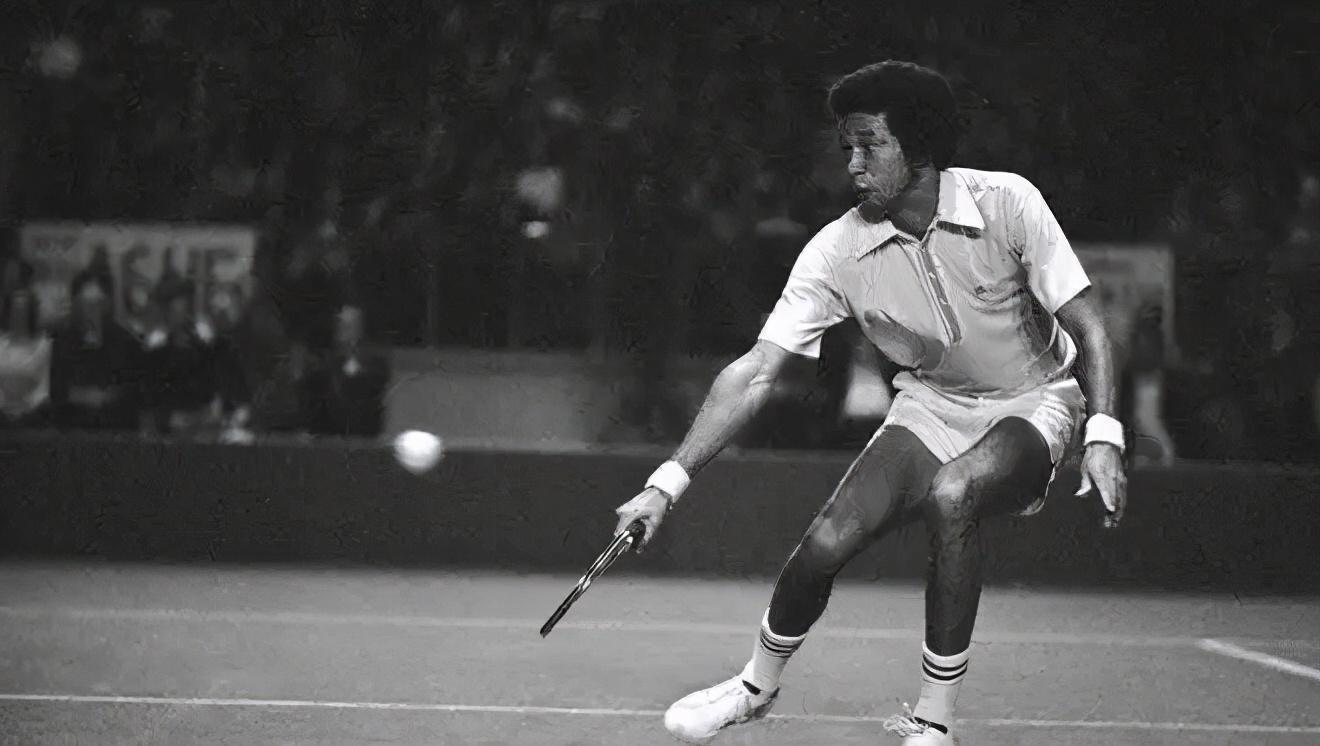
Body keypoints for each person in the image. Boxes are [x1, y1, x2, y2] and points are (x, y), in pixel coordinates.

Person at [612, 60, 1127, 745]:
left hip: (1034, 401)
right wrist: (666, 483)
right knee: (827, 541)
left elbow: (1091, 326)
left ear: (919, 145)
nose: (852, 164)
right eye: (847, 147)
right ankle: (754, 688)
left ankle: (934, 723)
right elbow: (758, 370)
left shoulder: (1008, 204)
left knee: (953, 494)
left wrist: (1104, 434)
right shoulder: (837, 251)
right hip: (930, 406)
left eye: (869, 145)